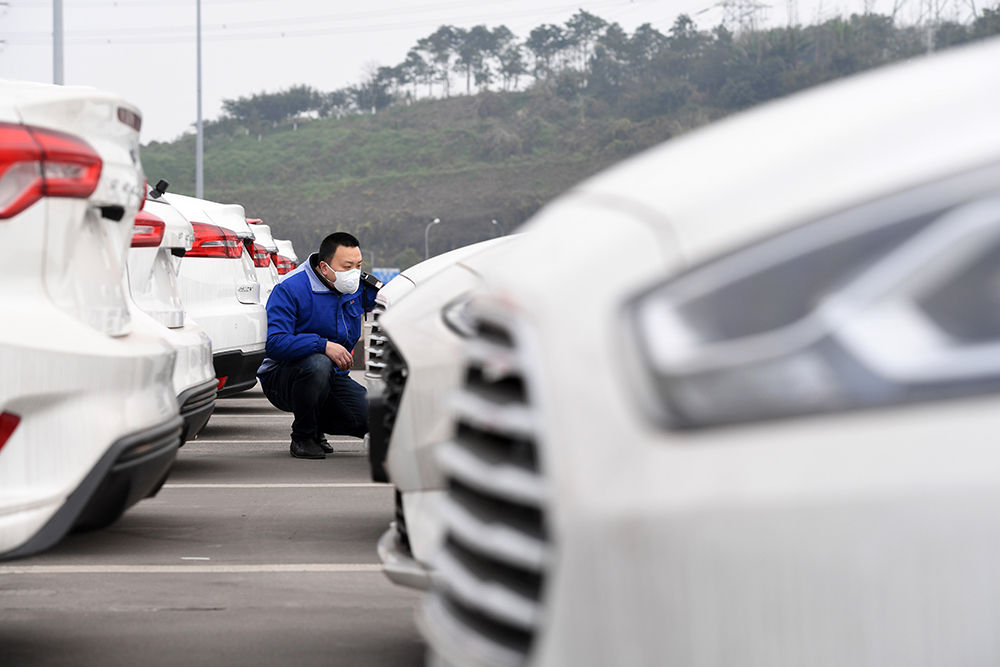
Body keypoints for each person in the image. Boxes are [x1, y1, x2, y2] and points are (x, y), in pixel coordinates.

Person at [257, 232, 378, 459]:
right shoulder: (290, 288)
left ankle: (316, 421)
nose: (354, 273)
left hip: (333, 377)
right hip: (284, 378)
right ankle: (303, 436)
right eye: (347, 266)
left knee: (374, 418)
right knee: (317, 363)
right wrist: (322, 345)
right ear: (324, 268)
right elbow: (275, 343)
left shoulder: (358, 288)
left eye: (358, 265)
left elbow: (393, 298)